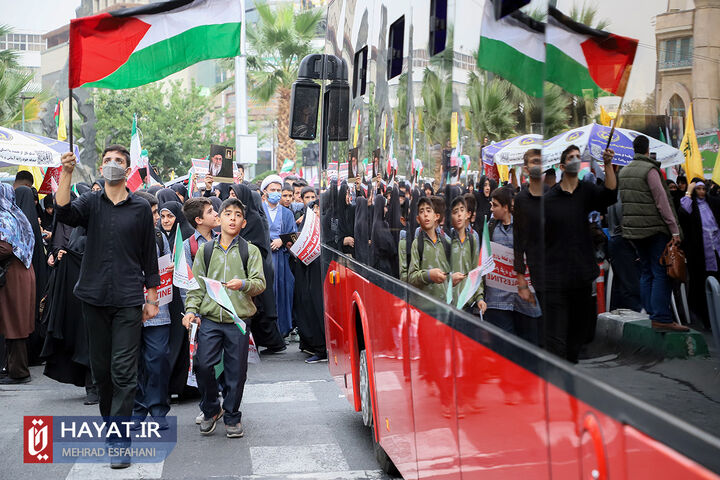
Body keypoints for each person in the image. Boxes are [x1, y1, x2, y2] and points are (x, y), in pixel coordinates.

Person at [55, 146, 160, 469]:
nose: (112, 165)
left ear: (128, 169)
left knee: (124, 373)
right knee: (102, 373)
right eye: (108, 161)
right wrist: (67, 173)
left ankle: (119, 442)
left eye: (119, 162)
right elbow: (63, 211)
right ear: (101, 167)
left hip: (129, 300)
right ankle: (110, 427)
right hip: (94, 297)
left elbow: (148, 255)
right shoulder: (91, 203)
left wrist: (152, 296)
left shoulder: (141, 208)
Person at [182, 198, 266, 438]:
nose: (232, 218)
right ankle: (211, 409)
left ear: (244, 222)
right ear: (219, 219)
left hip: (238, 322)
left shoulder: (249, 251)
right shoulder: (207, 251)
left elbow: (260, 283)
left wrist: (243, 285)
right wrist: (191, 310)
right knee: (203, 365)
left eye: (237, 215)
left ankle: (232, 416)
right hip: (210, 320)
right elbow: (196, 286)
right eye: (227, 213)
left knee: (236, 372)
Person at [542, 145, 619, 362]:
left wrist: (607, 165)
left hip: (582, 276)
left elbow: (610, 194)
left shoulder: (587, 191)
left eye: (578, 156)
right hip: (555, 278)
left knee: (578, 335)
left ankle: (570, 369)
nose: (576, 159)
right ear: (562, 165)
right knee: (557, 339)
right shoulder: (549, 200)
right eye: (571, 157)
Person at [618, 135, 688, 332]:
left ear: (634, 149)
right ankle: (662, 317)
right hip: (655, 230)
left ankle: (650, 312)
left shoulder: (624, 171)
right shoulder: (650, 170)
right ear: (648, 149)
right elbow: (662, 203)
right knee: (660, 273)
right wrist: (674, 231)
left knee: (647, 271)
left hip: (634, 231)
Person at [230, 183, 286, 354]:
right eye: (230, 193)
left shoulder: (253, 218)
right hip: (245, 266)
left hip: (256, 266)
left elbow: (257, 244)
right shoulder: (238, 216)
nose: (232, 197)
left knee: (259, 306)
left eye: (235, 194)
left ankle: (275, 343)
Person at [483, 187, 541, 343]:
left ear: (506, 207)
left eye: (495, 205)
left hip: (524, 299)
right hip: (498, 299)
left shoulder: (525, 225)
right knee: (503, 347)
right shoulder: (490, 226)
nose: (491, 209)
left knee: (528, 345)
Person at [0, 184, 36, 384]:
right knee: (15, 321)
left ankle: (19, 373)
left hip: (13, 274)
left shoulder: (4, 217)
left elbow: (4, 247)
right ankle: (13, 368)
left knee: (14, 322)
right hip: (21, 271)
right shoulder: (16, 214)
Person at [679, 180, 720, 327]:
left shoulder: (712, 203)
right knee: (702, 285)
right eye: (699, 189)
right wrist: (689, 191)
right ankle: (706, 317)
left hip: (716, 250)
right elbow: (683, 210)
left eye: (704, 189)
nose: (702, 192)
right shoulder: (691, 204)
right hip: (699, 253)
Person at [261, 175, 297, 337]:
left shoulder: (287, 214)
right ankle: (268, 335)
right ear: (265, 192)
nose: (276, 193)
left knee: (284, 293)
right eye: (272, 190)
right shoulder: (259, 210)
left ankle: (283, 331)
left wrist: (281, 241)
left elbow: (294, 236)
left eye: (278, 190)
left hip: (283, 261)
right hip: (263, 260)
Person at [448, 196, 486, 315]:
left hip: (467, 303)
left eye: (462, 210)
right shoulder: (446, 239)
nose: (459, 215)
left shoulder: (473, 238)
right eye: (455, 211)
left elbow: (476, 270)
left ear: (467, 214)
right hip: (448, 303)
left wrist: (479, 297)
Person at [408, 197, 451, 300]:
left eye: (428, 210)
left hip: (444, 306)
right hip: (424, 306)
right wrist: (428, 275)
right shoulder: (417, 244)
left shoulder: (447, 243)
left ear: (436, 216)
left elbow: (450, 274)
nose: (425, 214)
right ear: (418, 219)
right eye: (422, 211)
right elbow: (411, 277)